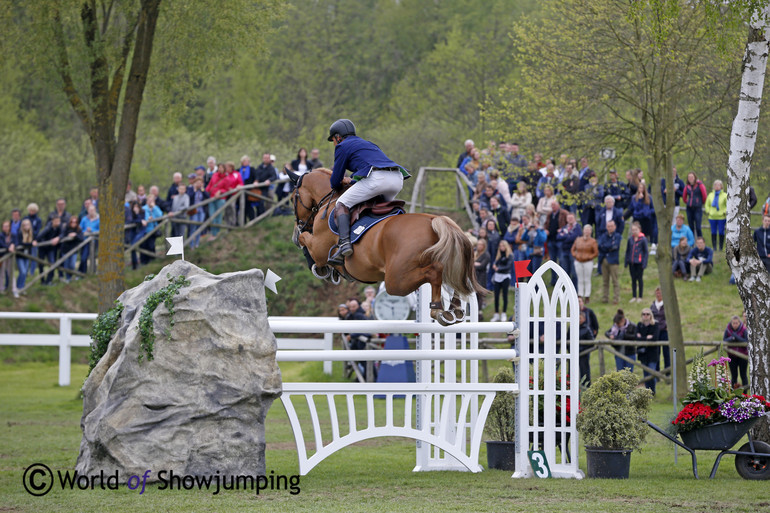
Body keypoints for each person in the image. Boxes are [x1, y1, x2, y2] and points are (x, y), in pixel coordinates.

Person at [327, 119, 410, 265]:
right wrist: (352, 181)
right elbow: (369, 168)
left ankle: (344, 243)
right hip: (397, 178)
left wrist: (345, 180)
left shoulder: (341, 146)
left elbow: (335, 182)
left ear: (338, 137)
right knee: (383, 208)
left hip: (377, 180)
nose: (334, 143)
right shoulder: (369, 144)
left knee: (342, 203)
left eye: (333, 139)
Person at [636, 308, 661, 394]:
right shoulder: (639, 325)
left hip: (653, 353)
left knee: (651, 373)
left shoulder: (655, 324)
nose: (645, 316)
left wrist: (642, 337)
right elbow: (636, 338)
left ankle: (652, 391)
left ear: (651, 315)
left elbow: (655, 338)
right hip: (642, 353)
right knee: (645, 373)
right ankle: (647, 392)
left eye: (647, 314)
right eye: (644, 314)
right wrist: (647, 337)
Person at [572, 224, 598, 302]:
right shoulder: (578, 240)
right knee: (580, 278)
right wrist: (575, 256)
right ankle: (580, 294)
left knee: (587, 279)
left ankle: (587, 295)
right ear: (583, 231)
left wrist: (589, 257)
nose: (586, 232)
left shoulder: (593, 241)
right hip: (578, 261)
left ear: (590, 232)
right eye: (585, 230)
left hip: (588, 262)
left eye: (588, 230)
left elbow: (595, 252)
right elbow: (573, 249)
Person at [598, 219, 622, 304]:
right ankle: (605, 298)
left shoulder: (618, 236)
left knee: (615, 280)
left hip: (613, 261)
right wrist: (608, 246)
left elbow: (615, 246)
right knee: (605, 281)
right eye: (608, 226)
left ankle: (616, 298)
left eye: (611, 226)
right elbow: (600, 246)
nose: (610, 228)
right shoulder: (603, 236)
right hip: (604, 260)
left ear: (615, 227)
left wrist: (606, 246)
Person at [36, 216, 64, 285]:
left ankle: (49, 280)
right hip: (42, 248)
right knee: (41, 264)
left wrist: (58, 238)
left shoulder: (59, 227)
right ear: (52, 221)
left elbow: (63, 233)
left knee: (52, 263)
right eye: (56, 221)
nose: (57, 223)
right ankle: (42, 280)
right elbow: (39, 236)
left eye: (58, 221)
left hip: (51, 249)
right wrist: (47, 242)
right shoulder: (48, 228)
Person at [625, 222, 649, 303]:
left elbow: (646, 252)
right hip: (632, 262)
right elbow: (628, 251)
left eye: (636, 230)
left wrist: (644, 263)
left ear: (639, 230)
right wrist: (626, 261)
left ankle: (640, 296)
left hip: (639, 262)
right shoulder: (630, 239)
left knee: (640, 279)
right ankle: (634, 296)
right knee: (633, 279)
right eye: (633, 230)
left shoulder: (643, 239)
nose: (634, 231)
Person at [723, 314, 749, 387]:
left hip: (743, 356)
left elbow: (746, 341)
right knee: (734, 376)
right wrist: (732, 338)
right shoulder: (728, 329)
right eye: (733, 323)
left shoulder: (743, 329)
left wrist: (736, 337)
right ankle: (733, 393)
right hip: (732, 356)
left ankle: (745, 394)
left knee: (743, 375)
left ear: (739, 323)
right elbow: (724, 340)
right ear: (731, 323)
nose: (735, 325)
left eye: (736, 323)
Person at [491, 240, 513, 322]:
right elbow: (495, 263)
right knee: (496, 296)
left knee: (504, 295)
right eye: (500, 246)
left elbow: (508, 266)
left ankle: (504, 313)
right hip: (497, 277)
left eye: (503, 246)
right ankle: (496, 314)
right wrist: (494, 265)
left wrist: (498, 268)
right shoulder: (498, 255)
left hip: (505, 277)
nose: (501, 247)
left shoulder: (510, 255)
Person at [556, 213, 581, 285]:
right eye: (568, 218)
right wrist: (568, 236)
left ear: (574, 219)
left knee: (574, 272)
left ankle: (574, 290)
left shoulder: (577, 227)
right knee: (565, 272)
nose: (570, 220)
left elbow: (575, 237)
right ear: (566, 219)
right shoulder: (564, 227)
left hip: (573, 252)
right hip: (564, 251)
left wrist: (564, 236)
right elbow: (558, 237)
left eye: (571, 218)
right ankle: (566, 290)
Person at [650, 286, 670, 373]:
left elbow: (670, 317)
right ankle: (657, 372)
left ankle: (667, 372)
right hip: (656, 331)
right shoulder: (653, 305)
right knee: (656, 353)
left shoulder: (666, 304)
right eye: (657, 293)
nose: (658, 294)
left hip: (664, 331)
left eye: (660, 293)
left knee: (666, 353)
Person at [13, 218, 35, 296]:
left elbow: (34, 241)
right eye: (24, 225)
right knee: (22, 271)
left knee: (25, 273)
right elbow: (21, 243)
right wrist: (31, 244)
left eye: (27, 224)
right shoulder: (19, 233)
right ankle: (17, 288)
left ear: (30, 226)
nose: (26, 226)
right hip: (20, 256)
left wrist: (33, 243)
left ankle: (22, 287)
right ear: (22, 226)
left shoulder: (30, 234)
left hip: (26, 256)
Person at [683, 171, 707, 237]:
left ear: (695, 177)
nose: (690, 178)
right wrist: (688, 202)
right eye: (689, 177)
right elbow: (684, 197)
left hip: (697, 208)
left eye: (692, 177)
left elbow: (704, 196)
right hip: (689, 208)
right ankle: (692, 243)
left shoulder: (700, 185)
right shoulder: (687, 186)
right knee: (691, 227)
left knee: (698, 227)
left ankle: (700, 242)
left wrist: (700, 202)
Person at [705, 179, 727, 251]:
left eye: (718, 185)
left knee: (721, 232)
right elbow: (707, 205)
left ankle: (720, 247)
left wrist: (724, 212)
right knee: (713, 232)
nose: (717, 186)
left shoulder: (725, 195)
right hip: (712, 217)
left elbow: (728, 205)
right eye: (715, 185)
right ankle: (714, 247)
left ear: (721, 186)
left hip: (721, 217)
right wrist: (708, 211)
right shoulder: (710, 195)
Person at [186, 178, 209, 249]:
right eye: (197, 183)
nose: (199, 184)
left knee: (199, 227)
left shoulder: (202, 190)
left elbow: (208, 196)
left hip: (201, 210)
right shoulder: (190, 189)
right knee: (193, 227)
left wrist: (202, 189)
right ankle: (191, 244)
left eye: (200, 183)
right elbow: (189, 197)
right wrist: (194, 190)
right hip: (193, 211)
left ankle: (197, 244)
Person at [141, 194, 163, 265]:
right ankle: (145, 262)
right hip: (145, 230)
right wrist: (148, 219)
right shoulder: (144, 208)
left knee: (152, 245)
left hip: (153, 230)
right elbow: (144, 217)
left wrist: (154, 207)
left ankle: (152, 260)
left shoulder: (155, 208)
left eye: (152, 200)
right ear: (147, 201)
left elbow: (160, 215)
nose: (150, 202)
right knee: (145, 246)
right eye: (149, 200)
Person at [60, 216, 83, 282]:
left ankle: (70, 276)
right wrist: (68, 235)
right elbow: (62, 235)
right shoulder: (66, 228)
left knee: (72, 265)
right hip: (65, 249)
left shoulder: (78, 229)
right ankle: (68, 279)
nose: (73, 223)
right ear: (70, 222)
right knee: (66, 265)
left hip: (74, 250)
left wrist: (75, 235)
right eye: (72, 222)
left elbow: (81, 238)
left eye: (75, 222)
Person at [78, 204, 100, 274]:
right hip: (85, 241)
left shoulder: (98, 220)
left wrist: (92, 231)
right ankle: (82, 273)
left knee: (94, 257)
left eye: (92, 210)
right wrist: (84, 231)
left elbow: (101, 230)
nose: (91, 212)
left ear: (95, 210)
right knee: (83, 257)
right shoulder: (84, 219)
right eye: (90, 210)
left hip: (95, 240)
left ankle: (94, 271)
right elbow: (80, 229)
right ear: (88, 211)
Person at [125, 201, 146, 270]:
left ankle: (140, 262)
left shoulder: (142, 212)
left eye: (137, 207)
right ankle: (134, 265)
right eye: (134, 207)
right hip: (133, 232)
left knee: (134, 245)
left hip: (141, 232)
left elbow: (143, 219)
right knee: (132, 246)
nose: (135, 208)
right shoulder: (131, 213)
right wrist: (139, 220)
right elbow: (131, 221)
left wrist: (137, 215)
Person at [578, 310, 595, 388]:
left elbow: (591, 342)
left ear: (584, 319)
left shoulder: (587, 329)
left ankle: (586, 388)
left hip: (584, 354)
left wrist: (581, 349)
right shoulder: (571, 328)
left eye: (580, 318)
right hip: (574, 355)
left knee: (584, 372)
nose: (578, 320)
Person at [473, 239, 490, 315]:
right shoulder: (475, 253)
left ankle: (479, 312)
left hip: (481, 277)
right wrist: (476, 264)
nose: (479, 246)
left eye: (480, 244)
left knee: (479, 295)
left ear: (484, 246)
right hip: (474, 276)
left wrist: (474, 264)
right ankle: (473, 310)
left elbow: (482, 266)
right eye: (478, 244)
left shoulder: (486, 255)